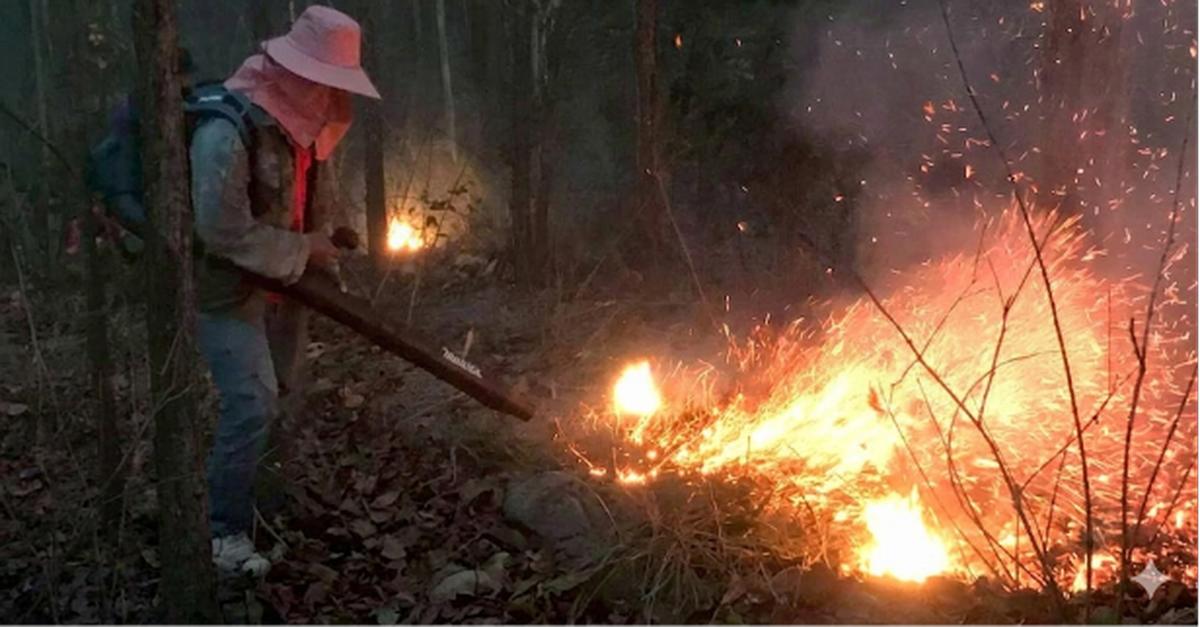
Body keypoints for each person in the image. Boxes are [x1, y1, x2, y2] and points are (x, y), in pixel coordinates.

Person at [193, 5, 380, 576]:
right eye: (323, 82)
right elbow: (219, 231)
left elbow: (309, 207)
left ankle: (267, 508)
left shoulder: (305, 130)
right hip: (225, 291)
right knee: (252, 403)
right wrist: (304, 251)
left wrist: (322, 254)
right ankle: (222, 531)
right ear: (295, 71)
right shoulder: (228, 132)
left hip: (286, 290)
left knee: (282, 399)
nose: (329, 97)